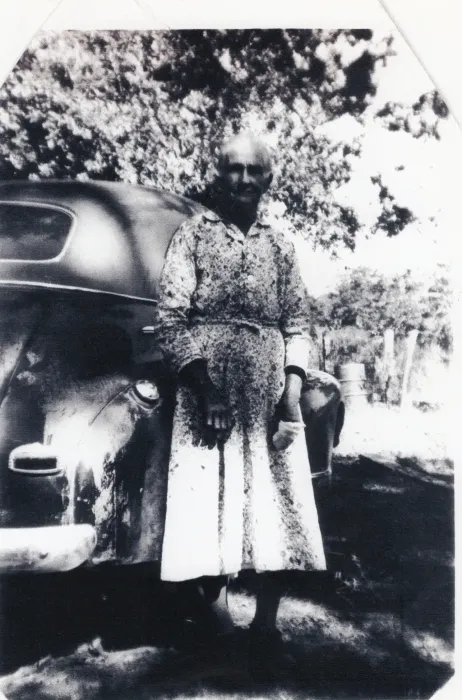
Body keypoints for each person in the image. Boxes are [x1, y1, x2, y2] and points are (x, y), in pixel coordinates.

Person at [154, 132, 327, 667]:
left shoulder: (280, 245)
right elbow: (170, 320)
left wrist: (290, 395)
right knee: (209, 501)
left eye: (255, 170)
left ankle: (266, 627)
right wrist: (206, 388)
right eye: (234, 169)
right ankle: (221, 626)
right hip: (207, 390)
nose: (244, 179)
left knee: (276, 503)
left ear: (269, 178)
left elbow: (297, 323)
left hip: (270, 391)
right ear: (218, 175)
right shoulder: (192, 236)